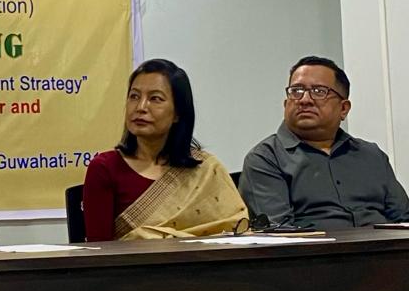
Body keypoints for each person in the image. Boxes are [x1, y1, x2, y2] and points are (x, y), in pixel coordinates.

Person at [82, 58, 246, 240]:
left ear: (177, 113)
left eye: (155, 99)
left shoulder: (205, 170)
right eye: (134, 96)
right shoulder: (105, 168)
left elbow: (236, 231)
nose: (141, 107)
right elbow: (99, 250)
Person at [239, 56, 409, 228]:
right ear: (286, 104)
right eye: (296, 91)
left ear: (343, 108)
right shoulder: (266, 158)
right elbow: (279, 232)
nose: (304, 100)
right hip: (316, 245)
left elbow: (403, 219)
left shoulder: (371, 155)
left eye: (319, 91)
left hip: (386, 244)